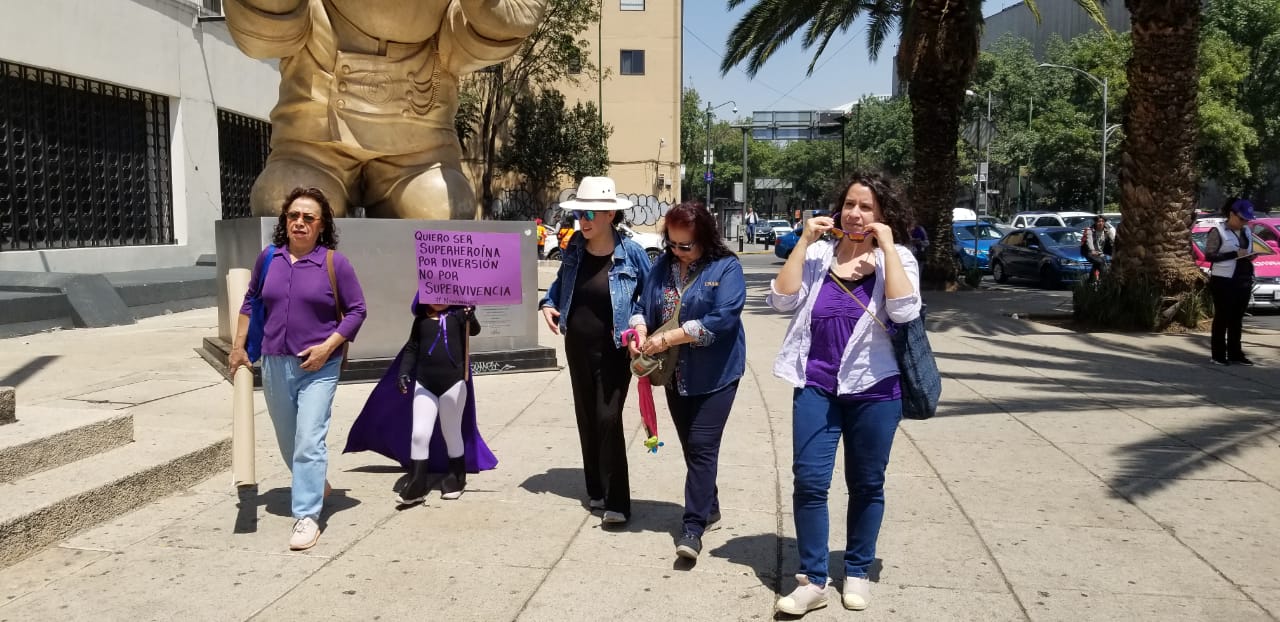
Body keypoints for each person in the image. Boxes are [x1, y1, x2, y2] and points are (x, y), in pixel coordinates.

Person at [766, 172, 922, 615]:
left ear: (884, 214)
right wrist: (801, 242)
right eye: (849, 204)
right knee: (810, 481)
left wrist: (887, 250)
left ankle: (856, 570)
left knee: (867, 483)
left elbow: (905, 310)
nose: (855, 213)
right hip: (816, 385)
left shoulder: (900, 259)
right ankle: (813, 579)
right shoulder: (818, 254)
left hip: (875, 390)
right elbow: (779, 300)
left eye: (866, 207)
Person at [229, 186, 367, 551]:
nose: (300, 223)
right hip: (274, 362)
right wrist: (239, 346)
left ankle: (307, 514)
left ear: (322, 226)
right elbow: (252, 300)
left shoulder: (335, 264)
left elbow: (357, 311)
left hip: (319, 365)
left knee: (309, 439)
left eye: (309, 217)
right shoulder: (269, 258)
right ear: (284, 221)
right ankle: (314, 480)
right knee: (288, 440)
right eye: (293, 216)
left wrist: (327, 348)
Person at [630, 202, 747, 561]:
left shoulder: (725, 268)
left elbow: (724, 318)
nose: (678, 252)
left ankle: (693, 526)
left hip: (717, 373)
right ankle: (709, 505)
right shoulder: (661, 266)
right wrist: (639, 329)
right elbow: (642, 303)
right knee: (691, 446)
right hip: (675, 374)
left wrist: (669, 338)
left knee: (701, 446)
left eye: (687, 246)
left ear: (705, 240)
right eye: (673, 245)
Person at [539, 176, 652, 525]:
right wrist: (547, 303)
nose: (584, 220)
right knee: (587, 417)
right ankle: (596, 489)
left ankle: (618, 501)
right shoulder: (574, 248)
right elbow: (559, 286)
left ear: (609, 216)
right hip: (577, 345)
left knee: (608, 417)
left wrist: (642, 328)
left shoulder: (631, 253)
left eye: (590, 213)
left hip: (616, 348)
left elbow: (649, 297)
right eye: (580, 214)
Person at [394, 303, 482, 504]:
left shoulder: (459, 315)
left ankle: (457, 477)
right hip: (424, 384)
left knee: (451, 431)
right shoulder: (421, 320)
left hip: (453, 383)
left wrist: (471, 316)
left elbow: (474, 331)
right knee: (419, 434)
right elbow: (412, 347)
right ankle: (417, 481)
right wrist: (404, 372)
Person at [1204, 198, 1258, 366]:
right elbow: (1210, 256)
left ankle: (1235, 353)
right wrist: (1234, 255)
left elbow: (1247, 251)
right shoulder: (1218, 231)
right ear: (1231, 214)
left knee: (1237, 318)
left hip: (1243, 278)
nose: (1244, 222)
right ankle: (1218, 354)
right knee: (1223, 317)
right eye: (1242, 219)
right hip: (1223, 280)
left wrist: (1251, 255)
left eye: (1247, 220)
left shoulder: (1247, 232)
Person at [1082, 215, 1115, 281]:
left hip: (1101, 252)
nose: (1101, 223)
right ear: (1095, 222)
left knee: (1099, 263)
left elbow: (1113, 240)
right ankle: (1103, 280)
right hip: (1089, 252)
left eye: (1103, 221)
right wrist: (1092, 250)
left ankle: (1091, 280)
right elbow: (1089, 241)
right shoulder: (1090, 230)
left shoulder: (1107, 231)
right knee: (1100, 262)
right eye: (1099, 221)